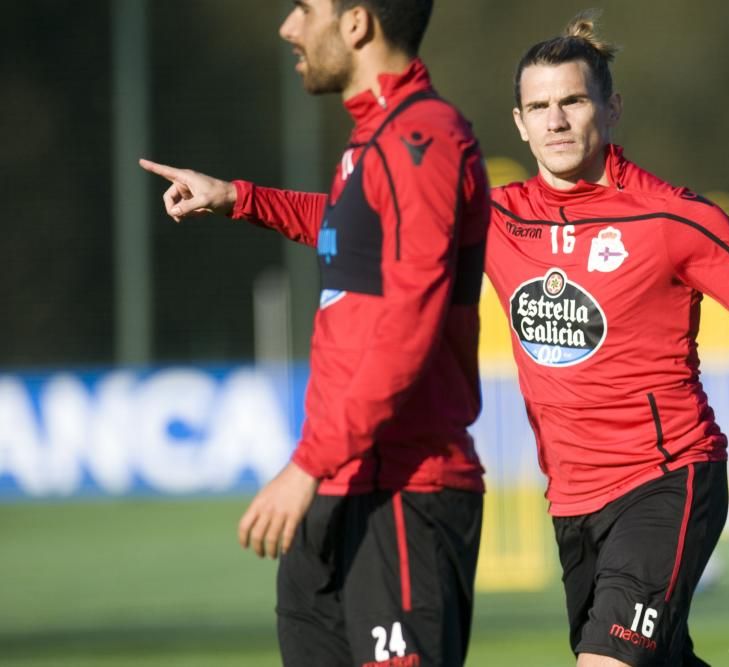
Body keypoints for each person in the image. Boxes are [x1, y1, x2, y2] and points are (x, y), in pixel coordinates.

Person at [484, 10, 729, 667]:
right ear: (519, 122)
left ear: (611, 108)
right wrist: (250, 199)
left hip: (667, 480)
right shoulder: (496, 214)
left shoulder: (671, 216)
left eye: (573, 101)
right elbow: (362, 222)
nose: (555, 120)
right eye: (539, 106)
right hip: (572, 503)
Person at [140, 1, 490, 665]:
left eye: (303, 10)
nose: (288, 28)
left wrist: (307, 463)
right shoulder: (375, 138)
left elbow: (407, 331)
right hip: (340, 485)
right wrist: (237, 197)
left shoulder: (424, 138)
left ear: (356, 24)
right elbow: (346, 225)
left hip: (404, 492)